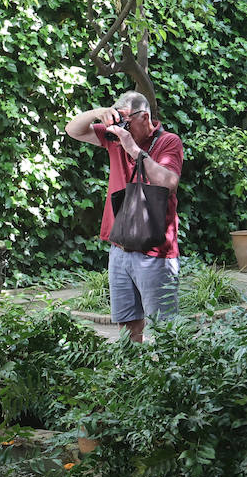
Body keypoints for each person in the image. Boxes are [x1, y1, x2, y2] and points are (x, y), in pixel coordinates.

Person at [65, 90, 183, 342]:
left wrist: (133, 149)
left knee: (165, 331)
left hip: (156, 251)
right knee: (128, 324)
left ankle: (169, 379)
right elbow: (73, 129)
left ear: (145, 117)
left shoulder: (169, 142)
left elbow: (168, 182)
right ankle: (129, 375)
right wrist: (99, 113)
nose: (121, 126)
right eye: (118, 119)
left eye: (126, 120)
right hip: (120, 247)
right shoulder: (114, 138)